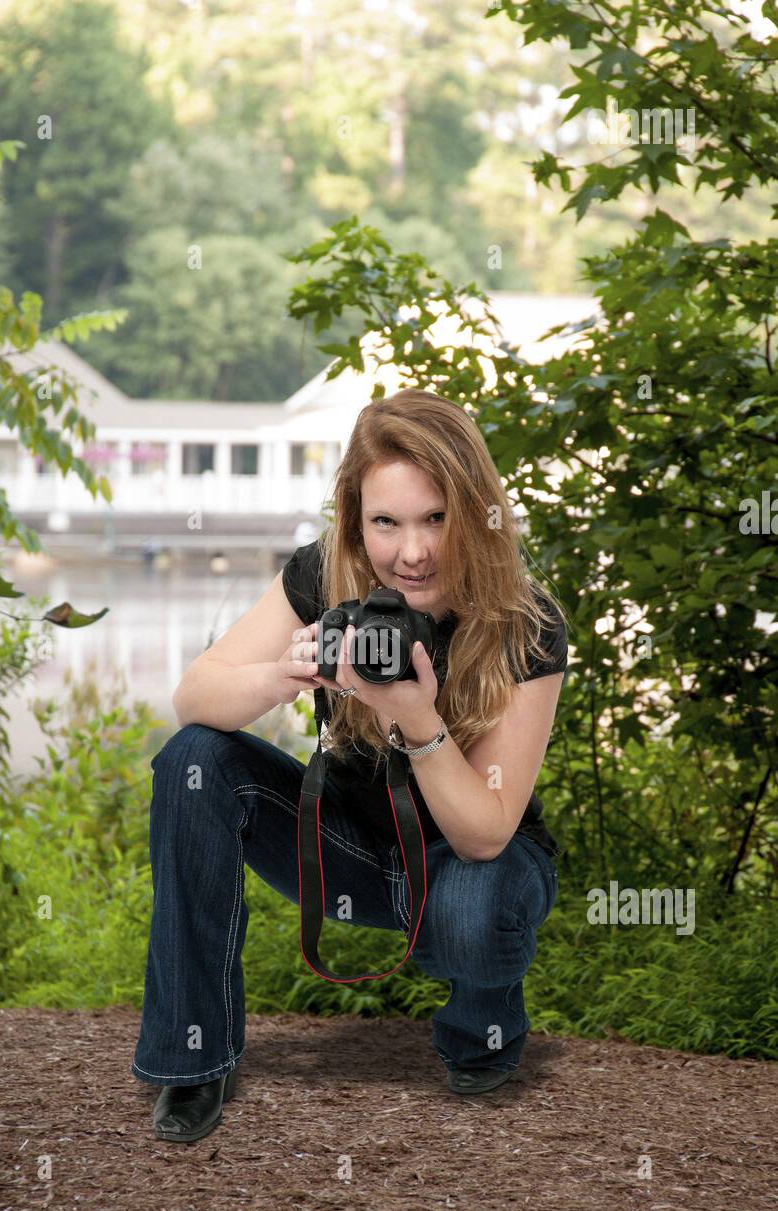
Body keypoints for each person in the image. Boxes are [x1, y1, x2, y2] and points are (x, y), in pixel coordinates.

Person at [130, 388, 568, 1142]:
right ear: (355, 526)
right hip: (349, 852)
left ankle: (480, 1029)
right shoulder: (322, 576)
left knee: (474, 903)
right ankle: (192, 1060)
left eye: (436, 517)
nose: (413, 552)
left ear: (474, 509)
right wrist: (283, 674)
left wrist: (416, 717)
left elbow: (486, 835)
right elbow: (192, 696)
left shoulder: (525, 623)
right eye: (386, 523)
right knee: (193, 759)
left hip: (467, 869)